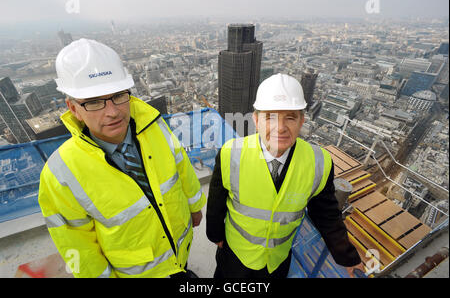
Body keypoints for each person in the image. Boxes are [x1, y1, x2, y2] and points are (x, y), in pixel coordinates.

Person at [38, 39, 205, 278]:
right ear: (73, 108)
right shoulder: (61, 172)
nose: (113, 111)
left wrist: (195, 206)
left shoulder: (154, 126)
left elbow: (181, 166)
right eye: (94, 102)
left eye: (118, 95)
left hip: (179, 250)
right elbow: (76, 244)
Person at [206, 73, 364, 278]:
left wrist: (348, 257)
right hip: (236, 255)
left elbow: (326, 213)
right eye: (270, 117)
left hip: (277, 260)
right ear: (256, 120)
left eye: (290, 117)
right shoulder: (231, 154)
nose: (280, 128)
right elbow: (216, 202)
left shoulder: (319, 163)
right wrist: (215, 234)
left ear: (301, 121)